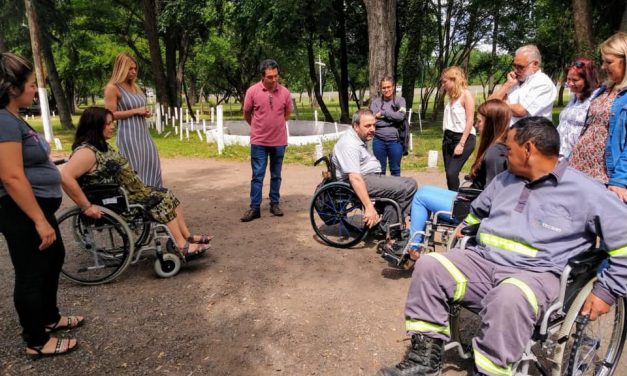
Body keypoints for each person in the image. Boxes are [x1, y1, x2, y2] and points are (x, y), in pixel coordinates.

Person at [377, 117, 627, 376]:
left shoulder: (586, 192)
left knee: (509, 295)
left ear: (528, 149)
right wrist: (467, 225)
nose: (505, 155)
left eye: (509, 149)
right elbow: (477, 212)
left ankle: (490, 371)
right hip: (484, 261)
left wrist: (607, 291)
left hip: (539, 275)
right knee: (430, 265)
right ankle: (425, 359)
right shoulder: (504, 180)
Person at [0, 52, 81, 358]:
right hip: (19, 210)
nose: (35, 89)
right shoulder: (3, 121)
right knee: (31, 271)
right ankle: (36, 339)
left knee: (53, 258)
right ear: (11, 87)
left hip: (36, 208)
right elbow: (10, 176)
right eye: (31, 84)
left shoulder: (13, 118)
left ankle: (50, 318)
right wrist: (38, 219)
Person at [60, 107, 211, 258]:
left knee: (167, 194)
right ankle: (181, 245)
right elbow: (65, 177)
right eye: (107, 124)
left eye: (112, 122)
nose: (112, 126)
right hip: (117, 201)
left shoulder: (100, 145)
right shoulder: (86, 152)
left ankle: (186, 236)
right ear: (94, 126)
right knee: (161, 200)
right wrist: (86, 207)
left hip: (132, 193)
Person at [407, 99, 510, 257]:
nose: (476, 125)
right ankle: (414, 245)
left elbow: (492, 195)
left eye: (479, 121)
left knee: (420, 197)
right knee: (425, 190)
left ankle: (413, 248)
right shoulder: (501, 146)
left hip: (472, 209)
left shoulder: (495, 154)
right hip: (471, 198)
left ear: (491, 124)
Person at [331, 109, 417, 238]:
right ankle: (386, 229)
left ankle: (389, 225)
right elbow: (355, 178)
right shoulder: (349, 144)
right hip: (360, 180)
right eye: (367, 126)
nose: (372, 129)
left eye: (374, 125)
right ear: (355, 126)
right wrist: (368, 207)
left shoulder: (360, 137)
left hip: (369, 177)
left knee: (408, 183)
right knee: (408, 186)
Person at [569, 32, 627, 203]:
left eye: (608, 62)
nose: (603, 67)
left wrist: (620, 180)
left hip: (603, 177)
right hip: (579, 169)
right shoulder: (605, 89)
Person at [240, 59, 293, 222]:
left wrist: (275, 126)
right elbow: (247, 114)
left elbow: (287, 113)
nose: (274, 80)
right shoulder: (252, 91)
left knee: (276, 175)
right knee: (258, 175)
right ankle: (255, 207)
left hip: (279, 142)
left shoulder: (285, 92)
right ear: (262, 76)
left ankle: (274, 204)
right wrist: (258, 127)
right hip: (259, 142)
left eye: (276, 76)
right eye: (270, 77)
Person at [104, 53, 162, 188]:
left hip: (144, 134)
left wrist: (145, 112)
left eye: (135, 68)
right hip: (128, 136)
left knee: (152, 165)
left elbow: (140, 107)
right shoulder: (112, 88)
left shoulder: (135, 87)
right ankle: (137, 200)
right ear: (121, 68)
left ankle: (153, 198)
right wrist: (136, 111)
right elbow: (110, 114)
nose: (134, 72)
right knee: (135, 170)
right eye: (130, 69)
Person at [489, 44, 557, 125]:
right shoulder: (513, 81)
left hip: (531, 136)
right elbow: (488, 104)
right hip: (509, 134)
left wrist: (498, 104)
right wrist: (508, 84)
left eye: (520, 67)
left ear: (535, 64)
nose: (516, 70)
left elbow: (521, 111)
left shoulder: (543, 83)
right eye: (514, 66)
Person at [440, 66, 476, 191]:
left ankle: (457, 201)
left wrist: (461, 143)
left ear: (454, 79)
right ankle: (451, 199)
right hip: (448, 138)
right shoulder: (450, 97)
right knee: (449, 175)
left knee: (452, 172)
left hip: (463, 138)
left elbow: (470, 120)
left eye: (445, 81)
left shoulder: (466, 95)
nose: (443, 84)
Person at [557, 58, 600, 159]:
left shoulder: (595, 100)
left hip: (576, 159)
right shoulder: (574, 98)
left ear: (587, 80)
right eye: (568, 79)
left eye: (575, 80)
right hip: (560, 156)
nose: (570, 83)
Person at [369, 76, 407, 176]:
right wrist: (393, 120)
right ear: (380, 89)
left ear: (393, 87)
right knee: (379, 170)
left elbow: (401, 117)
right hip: (378, 141)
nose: (386, 90)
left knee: (395, 170)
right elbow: (373, 121)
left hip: (396, 141)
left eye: (389, 87)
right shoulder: (375, 103)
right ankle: (382, 191)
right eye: (384, 88)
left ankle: (396, 191)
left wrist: (383, 113)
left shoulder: (400, 101)